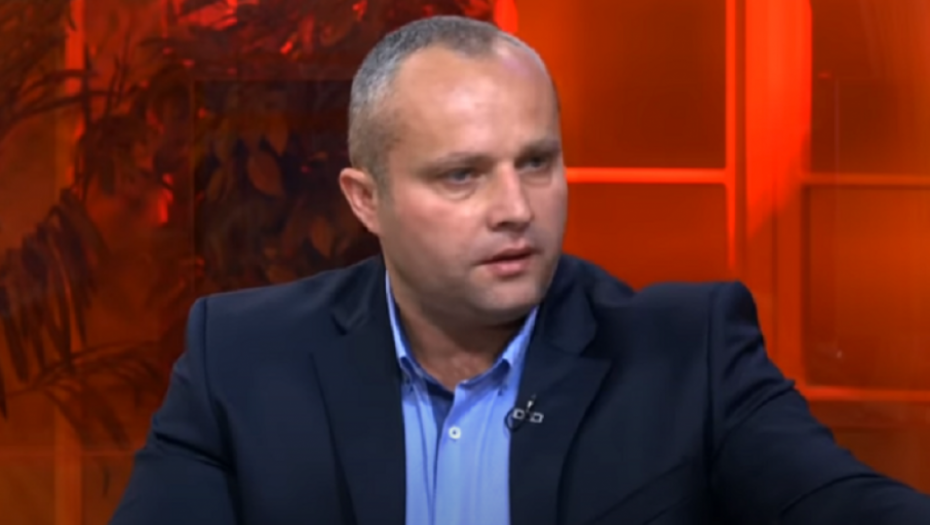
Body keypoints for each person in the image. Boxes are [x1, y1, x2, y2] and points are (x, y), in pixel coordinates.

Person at [109, 15, 930, 525]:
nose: (516, 207)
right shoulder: (242, 358)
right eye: (461, 175)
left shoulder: (692, 354)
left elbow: (845, 506)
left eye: (537, 162)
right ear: (366, 199)